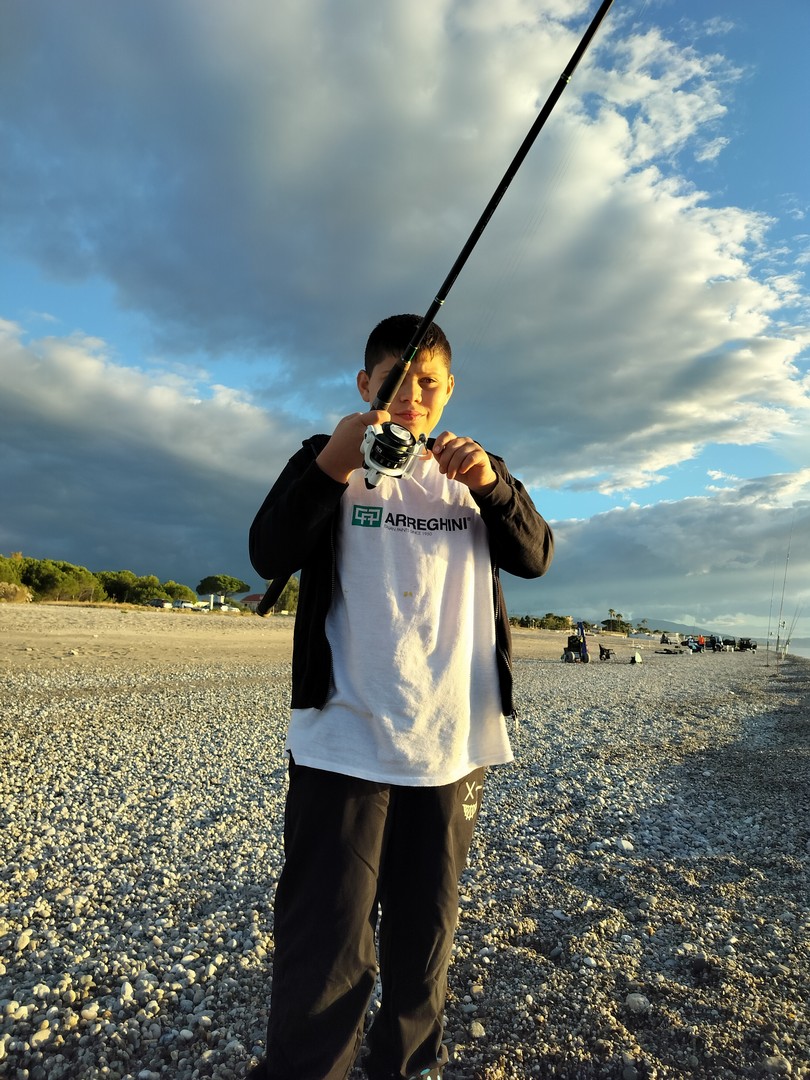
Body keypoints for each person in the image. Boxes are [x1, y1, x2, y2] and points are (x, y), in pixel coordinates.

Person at [246, 314, 553, 1080]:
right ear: (365, 383)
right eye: (395, 377)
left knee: (424, 944)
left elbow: (536, 556)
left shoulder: (475, 472)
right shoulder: (327, 458)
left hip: (451, 746)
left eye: (429, 381)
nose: (413, 393)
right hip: (341, 740)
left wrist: (493, 486)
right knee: (325, 942)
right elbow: (267, 550)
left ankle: (405, 1068)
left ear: (449, 391)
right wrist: (331, 465)